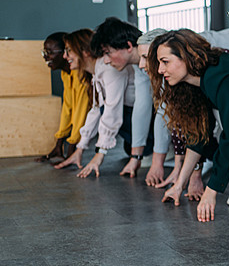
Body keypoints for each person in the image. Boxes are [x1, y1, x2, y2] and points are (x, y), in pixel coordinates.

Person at [147, 29, 229, 222]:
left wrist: (211, 191)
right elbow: (199, 136)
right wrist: (179, 185)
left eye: (165, 62)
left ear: (186, 57)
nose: (159, 70)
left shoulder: (220, 76)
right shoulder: (197, 82)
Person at [54, 29, 139, 177]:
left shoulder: (109, 68)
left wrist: (99, 155)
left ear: (84, 51)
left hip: (145, 126)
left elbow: (112, 109)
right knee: (100, 110)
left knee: (105, 110)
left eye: (69, 51)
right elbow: (95, 111)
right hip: (132, 129)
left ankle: (148, 151)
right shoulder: (97, 71)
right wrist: (80, 149)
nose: (64, 56)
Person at [137, 28, 204, 197]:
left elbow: (200, 126)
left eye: (145, 58)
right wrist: (177, 168)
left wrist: (195, 176)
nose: (140, 65)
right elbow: (175, 123)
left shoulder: (185, 71)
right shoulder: (166, 75)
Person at [89, 17, 159, 178]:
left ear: (128, 46)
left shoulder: (158, 57)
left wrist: (157, 162)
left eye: (108, 53)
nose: (106, 61)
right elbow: (142, 108)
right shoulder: (139, 67)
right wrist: (136, 157)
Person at [36, 32, 90, 162]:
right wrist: (59, 144)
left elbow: (81, 111)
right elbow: (68, 108)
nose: (46, 57)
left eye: (50, 52)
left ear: (64, 53)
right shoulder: (66, 74)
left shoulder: (81, 74)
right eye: (45, 52)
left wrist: (72, 149)